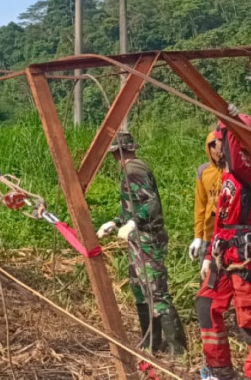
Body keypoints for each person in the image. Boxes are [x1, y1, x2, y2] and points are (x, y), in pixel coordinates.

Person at [197, 107, 251, 380]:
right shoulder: (229, 174)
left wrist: (227, 118)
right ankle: (220, 370)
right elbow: (221, 220)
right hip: (225, 249)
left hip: (245, 254)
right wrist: (209, 252)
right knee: (206, 306)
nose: (217, 147)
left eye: (220, 139)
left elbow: (235, 145)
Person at [96, 131, 187, 355]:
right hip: (138, 238)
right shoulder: (130, 169)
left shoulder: (133, 169)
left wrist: (134, 223)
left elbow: (151, 203)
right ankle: (151, 342)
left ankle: (177, 348)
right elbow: (132, 204)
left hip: (148, 238)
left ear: (118, 152)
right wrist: (116, 223)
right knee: (140, 289)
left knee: (156, 291)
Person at [191, 132, 224, 263]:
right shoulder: (203, 171)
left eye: (220, 146)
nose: (217, 151)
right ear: (208, 149)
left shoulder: (231, 170)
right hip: (209, 234)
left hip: (228, 232)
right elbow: (200, 205)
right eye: (213, 147)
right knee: (206, 276)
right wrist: (197, 236)